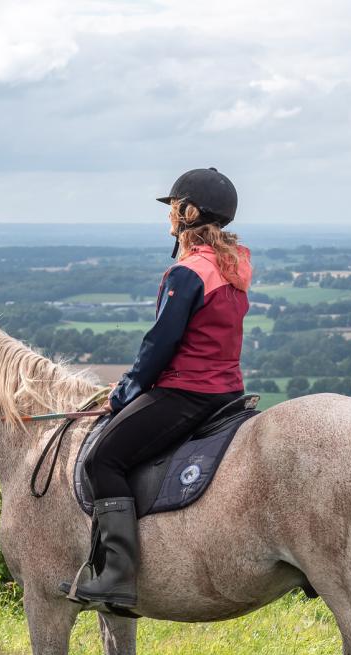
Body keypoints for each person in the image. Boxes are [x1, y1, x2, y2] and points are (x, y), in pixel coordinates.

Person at [67, 167, 252, 609]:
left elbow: (160, 344)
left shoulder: (187, 273)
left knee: (101, 458)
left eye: (172, 207)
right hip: (227, 392)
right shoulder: (233, 267)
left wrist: (125, 391)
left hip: (187, 393)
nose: (169, 215)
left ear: (188, 212)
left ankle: (116, 574)